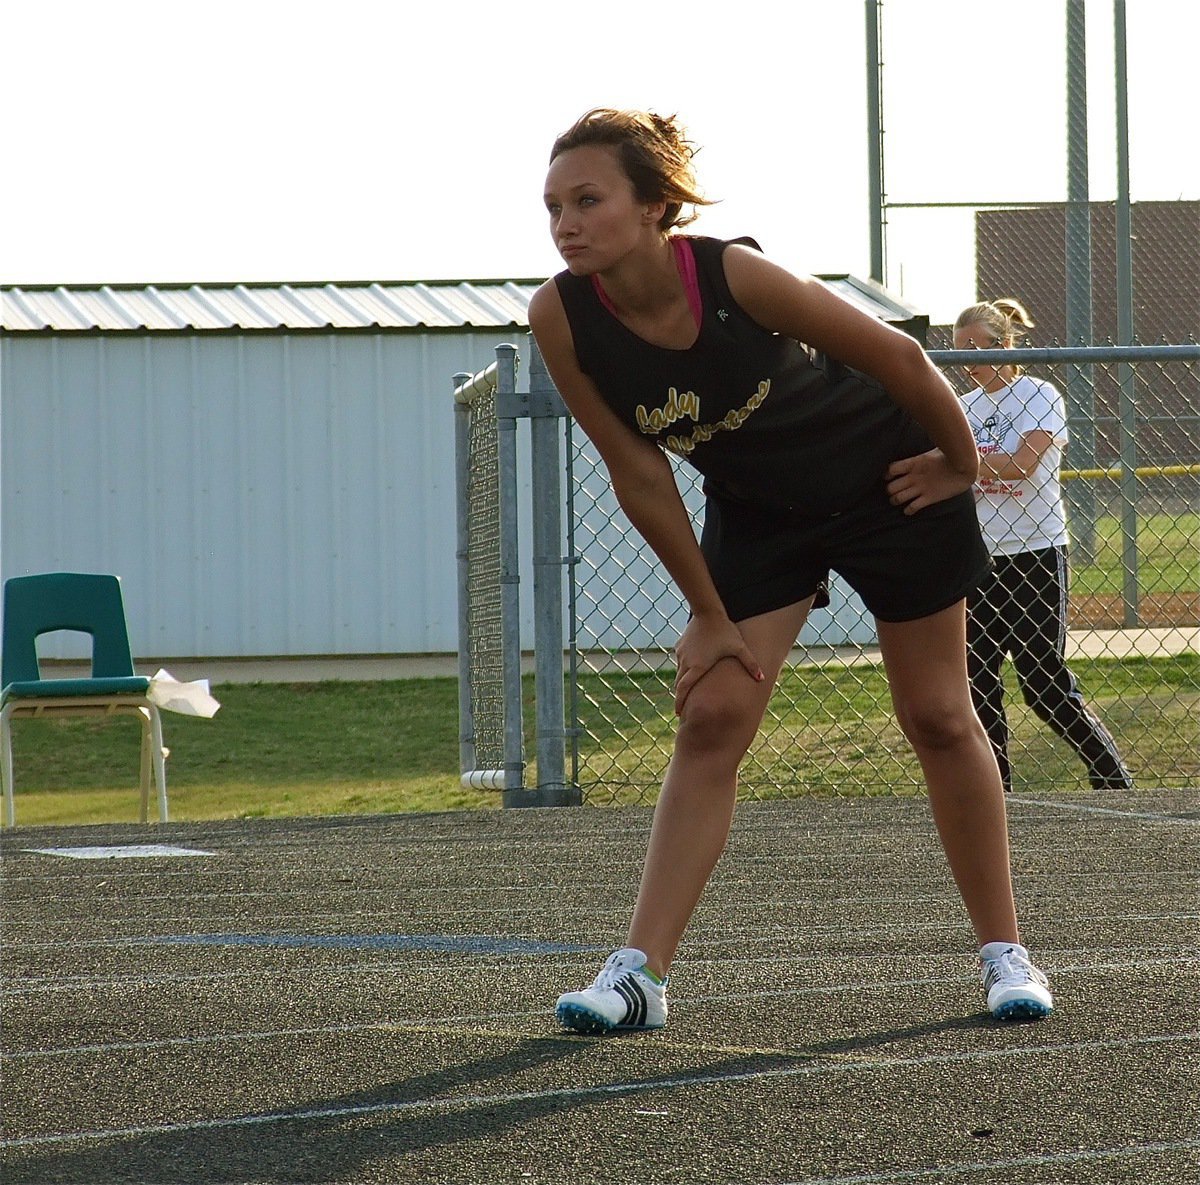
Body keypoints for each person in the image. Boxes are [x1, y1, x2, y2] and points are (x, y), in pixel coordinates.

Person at [528, 108, 1053, 1034]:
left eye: (588, 199)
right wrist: (707, 612)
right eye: (553, 206)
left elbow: (898, 355)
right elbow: (638, 470)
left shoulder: (731, 273)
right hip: (763, 512)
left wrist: (961, 463)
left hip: (886, 482)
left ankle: (1005, 955)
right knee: (715, 712)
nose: (566, 222)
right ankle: (641, 973)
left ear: (654, 207)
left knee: (936, 712)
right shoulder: (559, 316)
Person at [953, 300, 1133, 794]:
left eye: (975, 349)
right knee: (977, 678)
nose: (965, 363)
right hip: (979, 556)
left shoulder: (1037, 394)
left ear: (1004, 344)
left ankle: (1110, 774)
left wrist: (959, 462)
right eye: (957, 351)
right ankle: (997, 788)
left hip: (1035, 549)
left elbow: (1020, 465)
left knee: (1041, 679)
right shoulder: (961, 406)